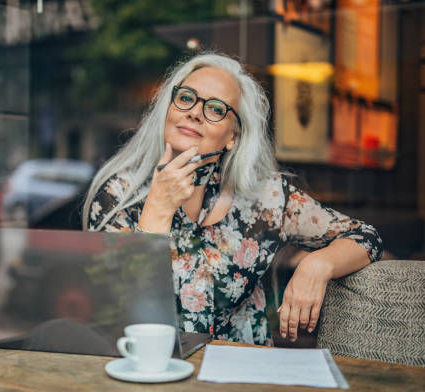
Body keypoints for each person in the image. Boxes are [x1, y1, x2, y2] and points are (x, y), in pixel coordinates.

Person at [82, 53, 382, 346]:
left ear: (232, 137)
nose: (195, 112)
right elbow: (115, 315)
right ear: (168, 110)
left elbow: (366, 237)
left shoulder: (267, 198)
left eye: (215, 109)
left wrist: (318, 265)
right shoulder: (118, 195)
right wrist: (157, 210)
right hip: (153, 372)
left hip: (242, 379)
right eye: (186, 98)